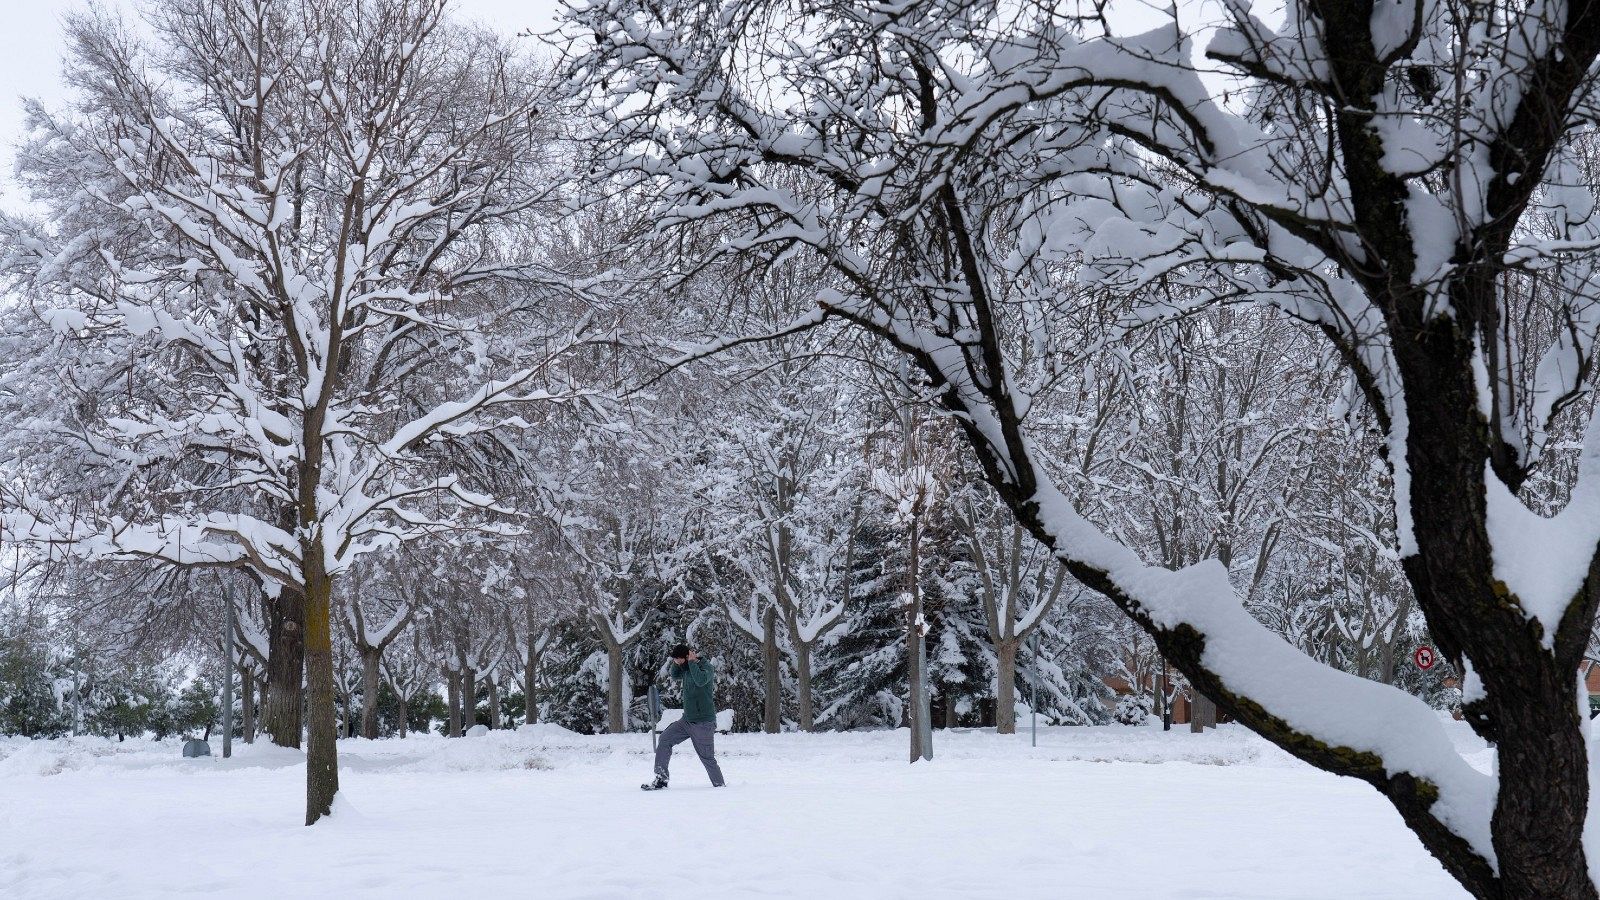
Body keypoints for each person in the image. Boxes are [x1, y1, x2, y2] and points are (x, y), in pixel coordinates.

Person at [642, 644, 725, 790]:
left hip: (703, 723)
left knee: (707, 758)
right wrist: (678, 664)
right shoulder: (686, 667)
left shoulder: (707, 668)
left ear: (687, 657)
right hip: (686, 721)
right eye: (675, 660)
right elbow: (674, 675)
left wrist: (692, 662)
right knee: (665, 739)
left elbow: (700, 680)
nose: (677, 662)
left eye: (679, 659)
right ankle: (661, 778)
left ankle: (720, 787)